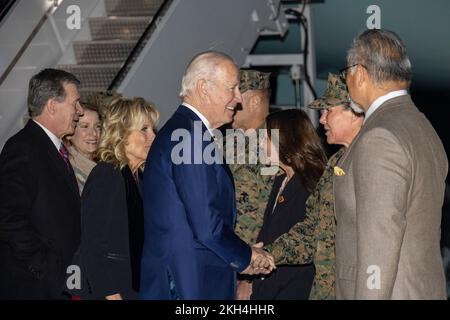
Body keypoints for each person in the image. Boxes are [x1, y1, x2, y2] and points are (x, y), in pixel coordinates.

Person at [140, 51, 275, 300]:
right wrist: (246, 256)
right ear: (203, 88)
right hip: (187, 285)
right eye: (232, 88)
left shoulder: (186, 132)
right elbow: (207, 226)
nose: (238, 98)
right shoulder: (190, 138)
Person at [335, 29, 448, 299]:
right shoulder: (422, 127)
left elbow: (379, 242)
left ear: (359, 73)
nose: (346, 81)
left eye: (346, 73)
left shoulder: (380, 137)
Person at [265, 74, 364, 300]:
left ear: (355, 113)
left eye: (328, 111)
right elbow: (313, 230)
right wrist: (266, 255)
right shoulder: (336, 162)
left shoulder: (372, 159)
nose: (321, 120)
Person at [0, 68, 83, 299]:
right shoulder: (23, 148)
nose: (80, 111)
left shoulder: (52, 149)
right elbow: (8, 218)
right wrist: (47, 267)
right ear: (52, 105)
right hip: (34, 287)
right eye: (75, 103)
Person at [79, 97, 159, 300]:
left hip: (137, 285)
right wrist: (110, 292)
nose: (153, 137)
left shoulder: (140, 177)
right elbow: (93, 243)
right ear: (122, 135)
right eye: (144, 130)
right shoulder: (107, 174)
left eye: (152, 129)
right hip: (116, 289)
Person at [247, 109, 327, 299]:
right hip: (269, 288)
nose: (259, 143)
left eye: (265, 138)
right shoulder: (280, 181)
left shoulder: (312, 186)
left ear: (285, 140)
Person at [227, 69, 277, 300]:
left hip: (250, 268)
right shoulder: (235, 143)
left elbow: (264, 216)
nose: (232, 100)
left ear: (255, 101)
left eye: (239, 94)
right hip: (232, 261)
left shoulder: (272, 145)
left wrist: (247, 278)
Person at [64, 101, 101, 193]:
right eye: (85, 126)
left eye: (97, 126)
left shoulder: (105, 163)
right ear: (70, 133)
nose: (94, 133)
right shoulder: (67, 171)